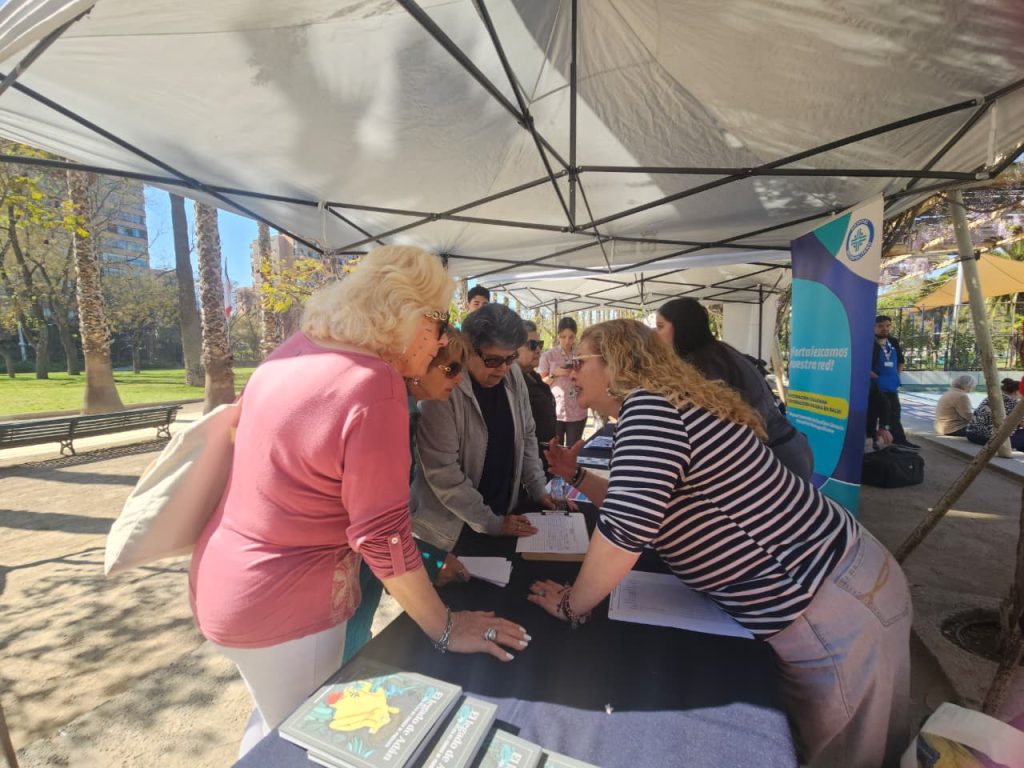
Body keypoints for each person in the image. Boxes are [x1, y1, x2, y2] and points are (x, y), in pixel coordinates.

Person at [189, 246, 530, 757]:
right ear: (414, 319)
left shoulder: (295, 351)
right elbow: (382, 534)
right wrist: (445, 627)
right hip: (288, 603)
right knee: (311, 746)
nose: (441, 340)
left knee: (274, 729)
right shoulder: (375, 383)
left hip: (227, 583)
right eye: (440, 326)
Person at [531, 319, 912, 768]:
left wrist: (572, 606)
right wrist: (574, 475)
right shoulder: (668, 404)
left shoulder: (649, 411)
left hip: (830, 607)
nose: (569, 373)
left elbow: (625, 532)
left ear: (615, 363)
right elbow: (640, 504)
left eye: (579, 362)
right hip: (845, 586)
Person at [343, 329, 473, 665]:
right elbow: (375, 527)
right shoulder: (387, 408)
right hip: (342, 579)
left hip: (359, 573)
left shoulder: (404, 408)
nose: (458, 380)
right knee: (339, 667)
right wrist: (428, 562)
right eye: (450, 369)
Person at [412, 303, 560, 552]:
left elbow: (526, 434)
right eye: (492, 360)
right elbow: (443, 472)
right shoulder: (442, 389)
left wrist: (537, 488)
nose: (502, 368)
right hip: (452, 531)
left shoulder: (513, 376)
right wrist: (491, 523)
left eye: (510, 358)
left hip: (503, 516)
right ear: (469, 349)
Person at [656, 297, 814, 480]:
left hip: (775, 456)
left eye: (660, 326)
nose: (655, 334)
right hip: (787, 447)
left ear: (682, 327)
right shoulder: (717, 352)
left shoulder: (706, 365)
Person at [539, 317, 588, 446]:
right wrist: (555, 374)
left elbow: (589, 379)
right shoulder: (548, 356)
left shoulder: (580, 354)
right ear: (558, 335)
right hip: (556, 411)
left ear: (575, 336)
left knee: (573, 450)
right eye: (563, 336)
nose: (567, 341)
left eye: (571, 337)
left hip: (577, 410)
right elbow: (542, 383)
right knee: (556, 451)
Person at [871, 315, 918, 449]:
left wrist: (895, 375)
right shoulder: (868, 342)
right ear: (873, 327)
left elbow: (901, 361)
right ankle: (872, 440)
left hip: (891, 386)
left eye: (887, 325)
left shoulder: (893, 341)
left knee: (894, 415)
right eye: (880, 326)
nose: (884, 329)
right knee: (872, 416)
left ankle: (899, 439)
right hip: (875, 387)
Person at [516, 320, 556, 472]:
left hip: (545, 461)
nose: (539, 350)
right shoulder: (511, 383)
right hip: (529, 467)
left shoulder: (533, 376)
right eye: (532, 345)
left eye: (540, 343)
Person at [966, 378, 1024, 450]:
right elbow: (1022, 423)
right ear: (1017, 392)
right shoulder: (1013, 403)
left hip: (972, 434)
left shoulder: (989, 398)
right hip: (989, 439)